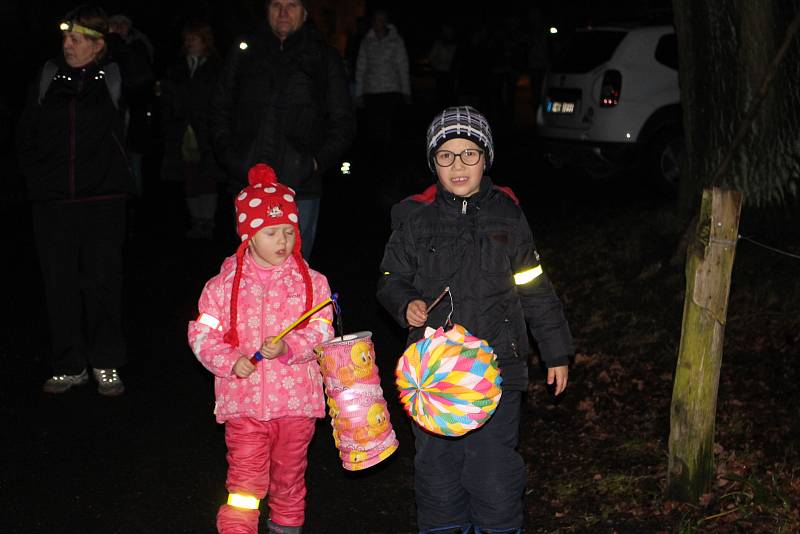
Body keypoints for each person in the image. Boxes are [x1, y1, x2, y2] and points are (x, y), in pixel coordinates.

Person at [376, 106, 573, 534]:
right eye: (446, 156)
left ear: (486, 158)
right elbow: (391, 277)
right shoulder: (416, 221)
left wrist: (556, 350)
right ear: (434, 164)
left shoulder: (508, 217)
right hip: (434, 372)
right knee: (437, 468)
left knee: (493, 469)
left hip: (499, 368)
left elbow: (534, 287)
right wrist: (405, 301)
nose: (459, 165)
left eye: (469, 154)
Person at [188, 163, 334, 534]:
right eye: (271, 233)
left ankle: (286, 527)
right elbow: (202, 333)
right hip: (245, 403)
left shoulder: (311, 283)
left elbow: (323, 328)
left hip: (296, 404)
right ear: (248, 236)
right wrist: (229, 360)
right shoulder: (222, 286)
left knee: (288, 480)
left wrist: (291, 346)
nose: (283, 242)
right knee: (245, 485)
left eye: (288, 231)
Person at [16, 4, 152, 396]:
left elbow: (144, 76)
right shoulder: (47, 75)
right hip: (53, 202)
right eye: (65, 37)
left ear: (97, 45)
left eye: (77, 38)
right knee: (58, 284)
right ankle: (68, 363)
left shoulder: (111, 75)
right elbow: (26, 132)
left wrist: (120, 40)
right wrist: (36, 179)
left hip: (104, 199)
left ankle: (106, 360)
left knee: (103, 282)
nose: (67, 44)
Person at [209, 0, 355, 259]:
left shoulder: (323, 56)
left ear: (305, 12)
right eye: (277, 5)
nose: (284, 12)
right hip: (248, 181)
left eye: (292, 5)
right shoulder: (244, 52)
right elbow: (220, 106)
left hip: (301, 187)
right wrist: (232, 156)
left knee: (294, 272)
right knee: (248, 271)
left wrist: (313, 163)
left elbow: (343, 121)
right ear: (266, 10)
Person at [161, 21, 222, 239]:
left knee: (208, 177)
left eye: (193, 39)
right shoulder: (177, 68)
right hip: (183, 131)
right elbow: (168, 96)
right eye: (187, 39)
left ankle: (208, 220)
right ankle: (197, 220)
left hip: (206, 131)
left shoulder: (216, 68)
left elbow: (219, 99)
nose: (189, 43)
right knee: (189, 176)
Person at [354, 9, 411, 164]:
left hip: (391, 90)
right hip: (371, 91)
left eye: (381, 20)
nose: (378, 23)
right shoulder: (367, 41)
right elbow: (361, 67)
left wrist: (406, 91)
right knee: (373, 128)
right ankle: (375, 160)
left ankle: (390, 160)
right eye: (376, 20)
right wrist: (358, 93)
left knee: (390, 127)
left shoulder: (396, 41)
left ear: (386, 22)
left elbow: (402, 66)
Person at [108, 13, 155, 196]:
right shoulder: (103, 48)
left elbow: (138, 75)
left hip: (134, 111)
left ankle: (135, 200)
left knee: (134, 159)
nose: (119, 27)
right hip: (112, 112)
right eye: (115, 24)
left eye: (123, 24)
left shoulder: (138, 46)